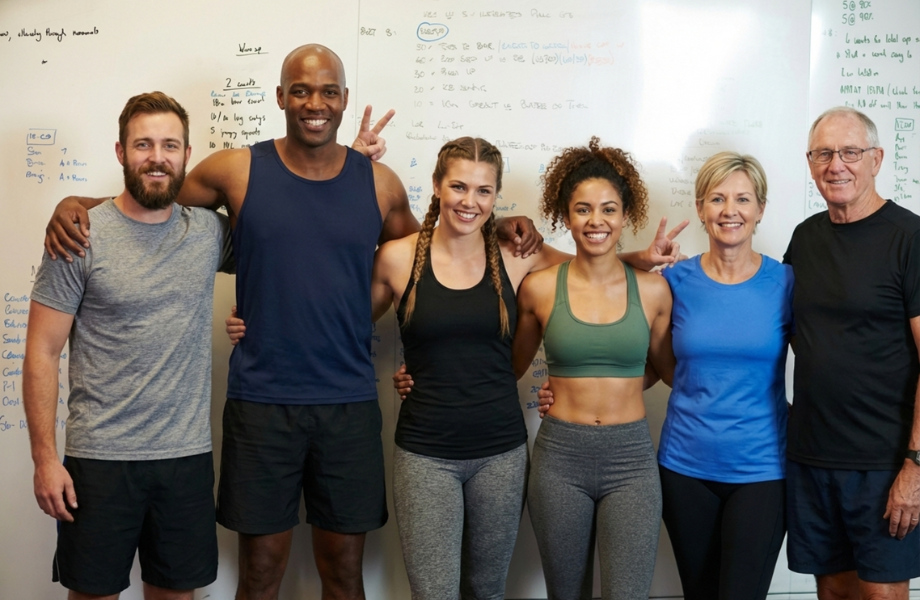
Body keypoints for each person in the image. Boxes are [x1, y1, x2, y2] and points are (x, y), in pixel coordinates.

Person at [43, 45, 541, 600]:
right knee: (259, 575)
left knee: (344, 575)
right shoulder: (236, 170)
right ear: (280, 97)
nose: (314, 102)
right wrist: (75, 203)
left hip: (348, 405)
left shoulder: (379, 185)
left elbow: (434, 251)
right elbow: (152, 197)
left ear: (345, 100)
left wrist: (505, 226)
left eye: (329, 91)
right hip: (261, 406)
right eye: (300, 90)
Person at [23, 92, 233, 599]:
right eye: (143, 145)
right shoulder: (78, 236)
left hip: (185, 459)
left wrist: (350, 161)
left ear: (186, 155)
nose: (156, 158)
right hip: (99, 462)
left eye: (169, 145)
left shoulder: (208, 232)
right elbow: (41, 352)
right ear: (120, 152)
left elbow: (288, 237)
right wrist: (46, 460)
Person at [512, 137, 673, 600]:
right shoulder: (539, 289)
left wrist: (618, 385)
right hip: (560, 456)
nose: (595, 221)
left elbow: (666, 369)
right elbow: (507, 368)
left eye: (608, 209)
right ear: (566, 216)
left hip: (631, 460)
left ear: (626, 216)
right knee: (567, 593)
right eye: (583, 210)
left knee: (627, 593)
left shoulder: (653, 292)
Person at [783, 106, 920, 599]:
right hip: (812, 458)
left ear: (877, 159)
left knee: (881, 594)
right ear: (810, 161)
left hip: (884, 464)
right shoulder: (805, 237)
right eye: (823, 153)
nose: (835, 165)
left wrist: (916, 464)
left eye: (850, 152)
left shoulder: (911, 238)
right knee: (833, 593)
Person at [654, 152, 792, 599]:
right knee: (700, 592)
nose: (729, 210)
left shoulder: (786, 282)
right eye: (717, 198)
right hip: (684, 467)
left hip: (762, 470)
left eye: (742, 199)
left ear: (760, 209)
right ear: (700, 208)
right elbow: (664, 366)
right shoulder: (675, 280)